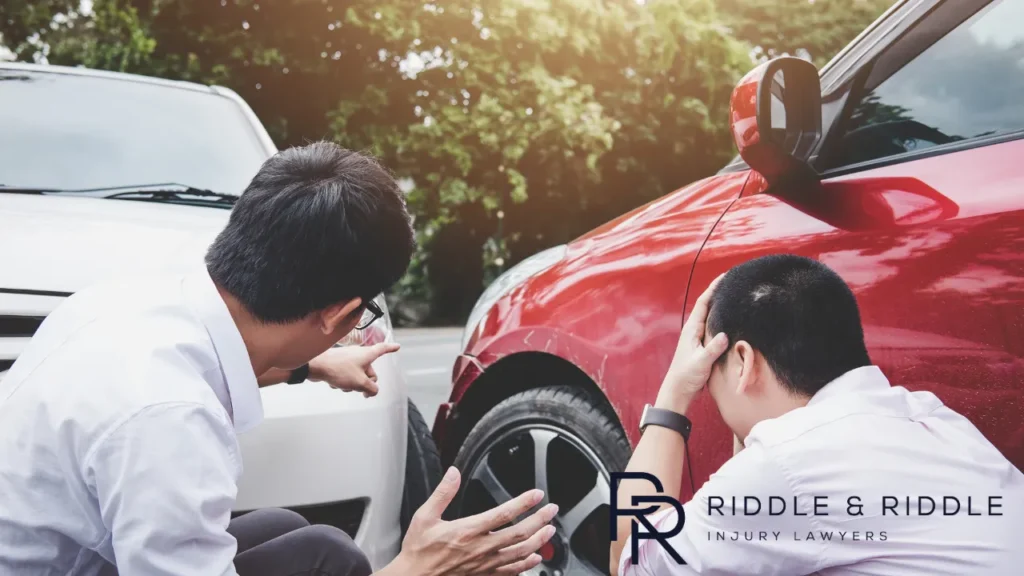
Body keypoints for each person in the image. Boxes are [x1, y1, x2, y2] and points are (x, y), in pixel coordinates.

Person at [0, 142, 557, 576]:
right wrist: (419, 566)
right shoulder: (169, 423)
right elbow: (167, 410)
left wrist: (310, 366)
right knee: (332, 561)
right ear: (338, 315)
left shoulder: (134, 300)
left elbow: (210, 366)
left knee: (305, 539)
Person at [610, 254, 1024, 575]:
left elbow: (632, 557)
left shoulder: (789, 463)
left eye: (708, 383)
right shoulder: (932, 417)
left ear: (742, 362)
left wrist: (675, 392)